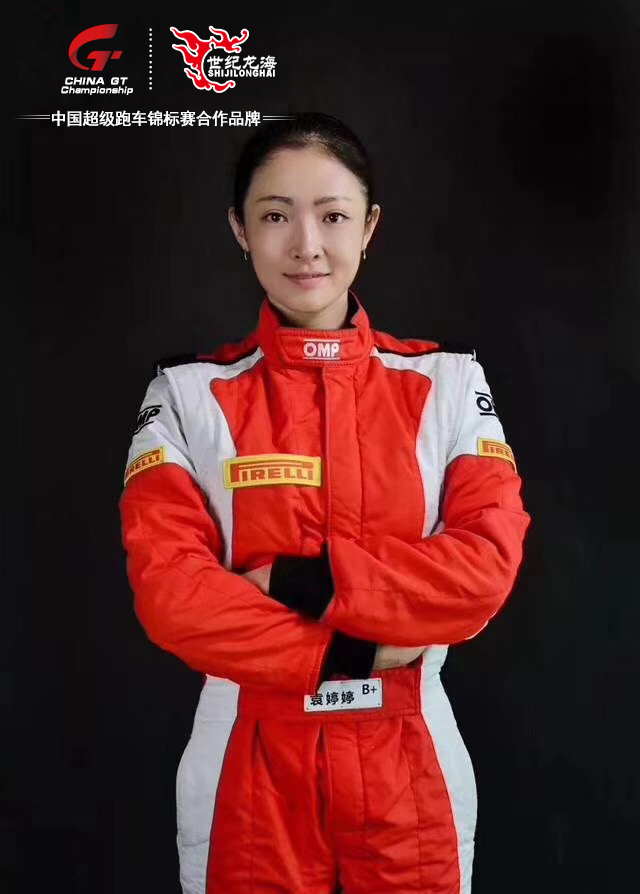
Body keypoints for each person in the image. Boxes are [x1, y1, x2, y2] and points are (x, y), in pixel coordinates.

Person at [119, 112, 531, 894]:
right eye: (276, 215)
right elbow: (173, 596)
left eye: (333, 216)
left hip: (410, 755)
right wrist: (355, 654)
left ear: (368, 228)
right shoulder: (185, 396)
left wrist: (298, 582)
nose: (306, 244)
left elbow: (483, 569)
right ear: (240, 229)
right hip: (247, 760)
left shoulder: (449, 384)